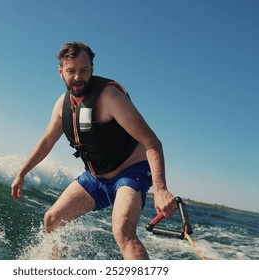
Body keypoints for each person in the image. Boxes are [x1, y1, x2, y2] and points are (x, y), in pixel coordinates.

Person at [11, 41, 178, 260]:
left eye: (84, 70)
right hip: (96, 178)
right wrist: (22, 172)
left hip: (130, 173)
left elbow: (152, 142)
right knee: (52, 220)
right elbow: (46, 142)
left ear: (92, 69)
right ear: (60, 72)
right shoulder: (63, 106)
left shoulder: (110, 98)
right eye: (71, 71)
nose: (78, 77)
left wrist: (161, 189)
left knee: (122, 231)